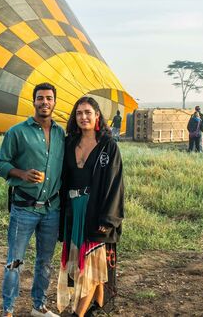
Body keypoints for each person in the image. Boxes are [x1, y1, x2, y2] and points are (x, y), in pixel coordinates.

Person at [0, 82, 65, 317]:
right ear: (33, 101)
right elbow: (0, 163)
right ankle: (8, 310)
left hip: (52, 209)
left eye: (49, 98)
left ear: (55, 102)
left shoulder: (60, 133)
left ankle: (39, 306)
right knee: (15, 261)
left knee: (45, 261)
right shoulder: (17, 132)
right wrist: (21, 174)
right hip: (24, 209)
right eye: (41, 98)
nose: (45, 102)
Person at [57, 96, 124, 317]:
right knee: (78, 263)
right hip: (73, 210)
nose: (83, 117)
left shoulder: (108, 146)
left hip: (96, 211)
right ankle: (97, 306)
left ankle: (79, 313)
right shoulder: (68, 143)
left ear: (97, 116)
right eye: (79, 113)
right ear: (74, 117)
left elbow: (115, 184)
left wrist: (108, 220)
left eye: (88, 112)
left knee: (92, 264)